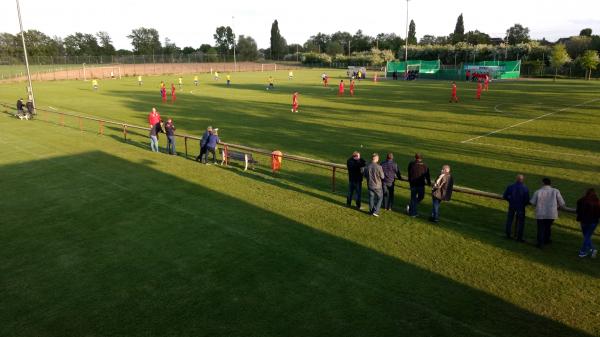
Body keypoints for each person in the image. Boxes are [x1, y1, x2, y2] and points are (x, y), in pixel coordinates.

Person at [529, 178, 566, 248]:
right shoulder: (555, 191)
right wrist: (558, 205)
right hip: (551, 213)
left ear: (543, 183)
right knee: (548, 227)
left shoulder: (538, 192)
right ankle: (546, 240)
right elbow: (562, 203)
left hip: (540, 213)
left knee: (541, 228)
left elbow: (532, 202)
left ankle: (540, 243)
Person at [502, 174, 530, 242]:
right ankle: (519, 237)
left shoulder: (510, 186)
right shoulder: (525, 188)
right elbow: (527, 200)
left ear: (516, 179)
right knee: (521, 222)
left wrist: (510, 200)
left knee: (510, 220)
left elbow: (505, 196)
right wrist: (523, 204)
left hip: (512, 205)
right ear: (522, 180)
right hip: (520, 207)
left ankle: (508, 234)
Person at [576, 188, 600, 258]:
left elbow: (578, 211)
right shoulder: (596, 201)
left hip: (584, 221)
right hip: (593, 222)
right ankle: (587, 250)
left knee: (586, 236)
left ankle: (587, 250)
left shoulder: (581, 201)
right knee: (587, 236)